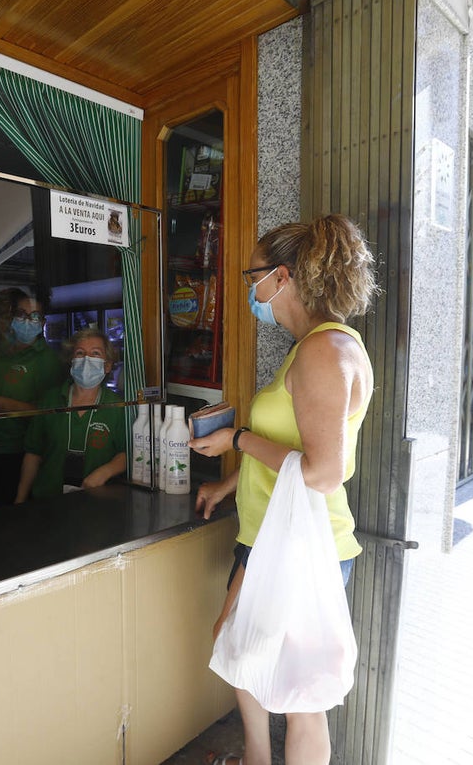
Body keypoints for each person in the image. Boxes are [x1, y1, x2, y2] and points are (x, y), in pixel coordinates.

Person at [191, 215, 378, 765]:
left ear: (283, 276)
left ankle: (257, 757)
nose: (251, 289)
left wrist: (239, 438)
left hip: (298, 544)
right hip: (273, 534)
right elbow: (293, 445)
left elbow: (322, 471)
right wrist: (231, 480)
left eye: (253, 276)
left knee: (299, 692)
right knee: (242, 652)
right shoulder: (311, 348)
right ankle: (255, 757)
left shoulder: (324, 351)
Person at [15, 327, 127, 501]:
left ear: (107, 366)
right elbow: (33, 453)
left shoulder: (117, 406)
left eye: (95, 353)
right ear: (71, 361)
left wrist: (105, 471)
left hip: (96, 502)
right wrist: (20, 500)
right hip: (47, 501)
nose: (86, 359)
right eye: (80, 353)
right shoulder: (50, 400)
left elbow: (126, 454)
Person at [0, 292, 65, 505]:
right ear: (12, 317)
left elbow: (53, 416)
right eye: (21, 314)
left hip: (20, 452)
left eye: (34, 316)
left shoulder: (48, 361)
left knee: (14, 519)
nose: (27, 320)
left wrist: (13, 406)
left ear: (42, 322)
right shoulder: (0, 353)